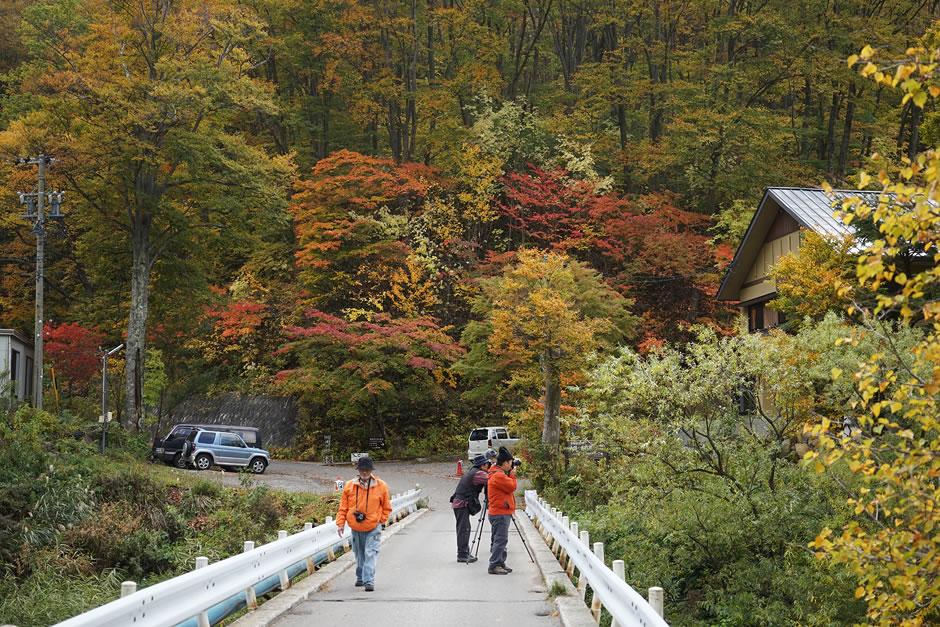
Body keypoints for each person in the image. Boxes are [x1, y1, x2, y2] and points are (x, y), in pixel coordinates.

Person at [336, 456, 392, 592]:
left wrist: (381, 520)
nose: (365, 472)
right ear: (358, 470)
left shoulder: (381, 486)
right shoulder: (349, 486)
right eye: (362, 469)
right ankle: (360, 577)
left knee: (370, 552)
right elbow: (343, 507)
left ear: (371, 470)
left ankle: (369, 581)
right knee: (359, 553)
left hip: (373, 526)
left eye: (367, 470)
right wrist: (340, 523)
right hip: (356, 526)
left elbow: (387, 507)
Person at [450, 453, 491, 563]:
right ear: (482, 465)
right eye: (487, 464)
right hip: (462, 503)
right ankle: (462, 554)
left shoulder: (474, 472)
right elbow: (492, 480)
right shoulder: (479, 474)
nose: (489, 466)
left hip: (460, 502)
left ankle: (465, 552)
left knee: (465, 527)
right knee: (464, 529)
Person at [487, 446, 517, 575]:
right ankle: (494, 565)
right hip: (500, 512)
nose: (511, 465)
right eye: (510, 463)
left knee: (502, 539)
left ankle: (500, 562)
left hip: (500, 511)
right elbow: (511, 487)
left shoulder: (497, 473)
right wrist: (512, 475)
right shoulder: (498, 475)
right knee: (500, 539)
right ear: (505, 463)